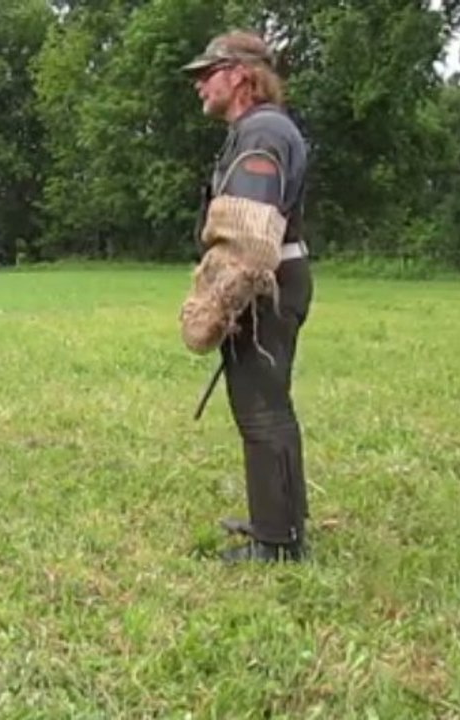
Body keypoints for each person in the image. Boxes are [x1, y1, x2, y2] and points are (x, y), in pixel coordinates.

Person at [181, 31, 314, 562]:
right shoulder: (262, 128)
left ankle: (278, 542)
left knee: (263, 412)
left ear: (239, 75)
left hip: (265, 283)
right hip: (275, 280)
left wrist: (220, 301)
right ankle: (280, 522)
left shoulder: (261, 131)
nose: (199, 85)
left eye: (207, 73)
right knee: (265, 406)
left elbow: (249, 231)